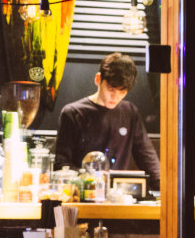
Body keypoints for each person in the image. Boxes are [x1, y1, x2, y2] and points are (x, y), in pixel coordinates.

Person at [55, 52, 160, 191]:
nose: (115, 97)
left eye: (122, 92)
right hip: (82, 193)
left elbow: (147, 157)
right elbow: (62, 164)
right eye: (111, 89)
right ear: (98, 79)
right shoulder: (73, 113)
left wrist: (164, 188)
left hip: (118, 195)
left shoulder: (130, 112)